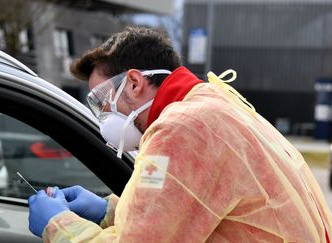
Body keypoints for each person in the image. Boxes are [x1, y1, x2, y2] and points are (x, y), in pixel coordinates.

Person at [28, 26, 332, 242]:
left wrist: (58, 226)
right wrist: (110, 209)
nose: (103, 114)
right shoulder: (211, 105)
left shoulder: (183, 128)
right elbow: (186, 204)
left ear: (133, 82)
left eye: (100, 100)